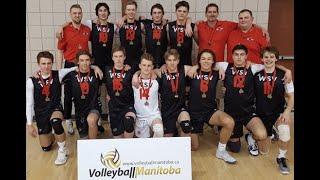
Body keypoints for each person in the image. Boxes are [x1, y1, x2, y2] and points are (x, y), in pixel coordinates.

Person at [216, 44, 292, 156]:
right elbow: (207, 63)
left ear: (246, 56)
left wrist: (287, 70)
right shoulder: (225, 65)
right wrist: (215, 69)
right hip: (231, 114)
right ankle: (230, 135)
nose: (239, 57)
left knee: (261, 135)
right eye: (236, 54)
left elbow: (271, 65)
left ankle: (250, 137)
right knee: (235, 148)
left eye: (242, 55)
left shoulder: (253, 67)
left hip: (248, 112)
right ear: (232, 56)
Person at [26, 51, 77, 165]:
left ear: (52, 63)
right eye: (43, 63)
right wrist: (29, 124)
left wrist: (94, 66)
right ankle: (55, 136)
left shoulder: (58, 74)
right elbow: (29, 104)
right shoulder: (31, 81)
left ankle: (62, 150)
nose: (46, 66)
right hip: (41, 113)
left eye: (49, 63)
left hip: (55, 108)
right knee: (46, 148)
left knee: (56, 121)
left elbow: (75, 68)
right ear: (38, 64)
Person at [188, 49, 236, 164]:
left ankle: (221, 151)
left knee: (229, 122)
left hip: (210, 111)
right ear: (199, 60)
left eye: (209, 59)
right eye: (203, 58)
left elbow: (233, 66)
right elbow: (170, 67)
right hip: (193, 113)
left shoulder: (217, 73)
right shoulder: (191, 72)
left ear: (213, 61)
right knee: (194, 147)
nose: (206, 61)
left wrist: (219, 68)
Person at [254, 46, 294, 174]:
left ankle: (281, 157)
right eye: (266, 57)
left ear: (276, 58)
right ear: (262, 59)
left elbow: (291, 96)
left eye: (272, 57)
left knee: (285, 130)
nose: (269, 59)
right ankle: (253, 135)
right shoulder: (256, 74)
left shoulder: (285, 75)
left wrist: (287, 111)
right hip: (260, 114)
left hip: (277, 113)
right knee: (263, 151)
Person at [56, 4, 91, 135]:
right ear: (70, 15)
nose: (77, 15)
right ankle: (68, 120)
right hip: (70, 65)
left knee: (82, 93)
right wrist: (60, 71)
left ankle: (82, 121)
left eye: (79, 13)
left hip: (84, 66)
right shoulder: (64, 31)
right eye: (74, 13)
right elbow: (60, 51)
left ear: (82, 14)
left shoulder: (87, 28)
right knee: (68, 95)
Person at [63, 50, 103, 139]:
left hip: (93, 106)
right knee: (83, 138)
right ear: (77, 62)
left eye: (87, 60)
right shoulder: (71, 75)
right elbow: (56, 74)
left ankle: (92, 146)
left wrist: (95, 67)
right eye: (81, 60)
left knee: (91, 120)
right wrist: (37, 73)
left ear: (90, 61)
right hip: (80, 110)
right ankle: (96, 128)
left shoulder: (97, 72)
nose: (85, 63)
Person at [104, 47, 136, 138]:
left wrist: (136, 74)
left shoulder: (130, 70)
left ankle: (128, 149)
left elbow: (143, 71)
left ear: (124, 57)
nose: (118, 59)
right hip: (114, 107)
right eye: (116, 56)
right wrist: (94, 67)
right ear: (112, 58)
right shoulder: (107, 69)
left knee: (129, 123)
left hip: (127, 105)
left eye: (121, 56)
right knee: (117, 137)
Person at [132, 53, 163, 138]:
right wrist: (135, 74)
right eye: (144, 65)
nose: (146, 68)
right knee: (143, 144)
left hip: (153, 115)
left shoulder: (156, 80)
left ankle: (155, 150)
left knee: (159, 130)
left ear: (152, 67)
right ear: (140, 66)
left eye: (149, 65)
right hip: (140, 116)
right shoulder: (134, 80)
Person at [167, 1, 195, 66]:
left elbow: (199, 42)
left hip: (187, 63)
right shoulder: (169, 25)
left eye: (184, 11)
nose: (182, 13)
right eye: (179, 11)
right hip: (173, 63)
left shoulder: (192, 26)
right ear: (176, 11)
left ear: (187, 12)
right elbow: (167, 44)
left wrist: (188, 24)